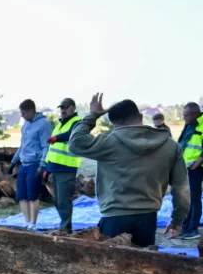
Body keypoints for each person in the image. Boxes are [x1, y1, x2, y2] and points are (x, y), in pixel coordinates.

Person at [67, 93, 189, 247]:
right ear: (140, 116)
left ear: (113, 122)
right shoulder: (170, 146)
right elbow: (181, 189)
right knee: (143, 260)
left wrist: (92, 116)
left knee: (111, 261)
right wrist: (177, 220)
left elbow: (75, 143)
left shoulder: (108, 143)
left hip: (114, 217)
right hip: (148, 219)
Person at [170, 102, 203, 240]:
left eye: (186, 115)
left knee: (194, 197)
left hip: (195, 169)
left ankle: (192, 229)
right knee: (185, 197)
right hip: (185, 167)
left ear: (195, 114)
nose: (184, 118)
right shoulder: (190, 125)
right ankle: (185, 227)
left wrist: (195, 166)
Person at [43, 97, 82, 232]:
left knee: (64, 200)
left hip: (67, 167)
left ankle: (65, 228)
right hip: (55, 167)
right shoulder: (60, 124)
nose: (63, 110)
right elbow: (53, 149)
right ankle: (64, 226)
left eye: (66, 107)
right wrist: (47, 168)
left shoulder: (77, 122)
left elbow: (71, 134)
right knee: (58, 201)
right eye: (62, 108)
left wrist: (56, 138)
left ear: (73, 108)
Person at [10, 99, 49, 228]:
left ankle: (33, 223)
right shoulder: (25, 125)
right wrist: (13, 162)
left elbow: (46, 146)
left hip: (35, 163)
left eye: (24, 113)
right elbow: (23, 145)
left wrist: (42, 165)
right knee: (22, 195)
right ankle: (26, 221)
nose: (22, 116)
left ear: (32, 111)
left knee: (32, 195)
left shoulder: (43, 124)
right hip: (24, 163)